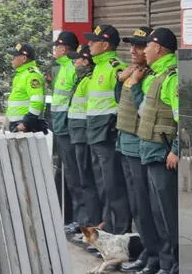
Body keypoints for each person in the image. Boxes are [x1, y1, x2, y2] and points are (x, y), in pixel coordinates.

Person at [116, 27, 161, 274]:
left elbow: (143, 109)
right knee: (137, 207)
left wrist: (134, 83)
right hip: (126, 143)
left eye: (139, 46)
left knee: (146, 207)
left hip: (139, 145)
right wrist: (121, 80)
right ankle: (147, 252)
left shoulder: (150, 76)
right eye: (131, 46)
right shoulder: (133, 72)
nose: (133, 50)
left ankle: (155, 256)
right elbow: (119, 102)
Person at [136, 28, 179, 274]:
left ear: (159, 48)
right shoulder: (157, 75)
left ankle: (175, 264)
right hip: (151, 151)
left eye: (148, 46)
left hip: (163, 154)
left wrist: (176, 149)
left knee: (167, 214)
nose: (143, 51)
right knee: (157, 213)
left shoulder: (171, 76)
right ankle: (165, 263)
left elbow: (183, 118)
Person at [84, 24, 132, 235]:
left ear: (105, 45)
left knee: (114, 185)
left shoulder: (115, 67)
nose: (89, 44)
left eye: (93, 41)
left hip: (107, 132)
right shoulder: (98, 67)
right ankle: (108, 227)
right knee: (103, 185)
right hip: (95, 132)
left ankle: (119, 233)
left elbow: (123, 102)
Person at [51, 31, 85, 235]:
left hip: (68, 129)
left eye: (57, 47)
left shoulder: (72, 68)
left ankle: (80, 219)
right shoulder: (63, 68)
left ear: (64, 48)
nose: (54, 50)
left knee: (75, 176)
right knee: (68, 176)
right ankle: (72, 217)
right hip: (61, 128)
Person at [67, 44, 104, 233]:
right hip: (78, 134)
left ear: (86, 61)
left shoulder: (89, 80)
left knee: (88, 181)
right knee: (82, 180)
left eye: (78, 59)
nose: (75, 62)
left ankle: (92, 222)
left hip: (84, 135)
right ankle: (87, 222)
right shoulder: (82, 80)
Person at [5, 42, 48, 133]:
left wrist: (25, 123)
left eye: (14, 57)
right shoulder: (22, 74)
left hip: (26, 126)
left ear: (24, 58)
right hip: (20, 125)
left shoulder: (32, 76)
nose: (12, 60)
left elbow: (37, 101)